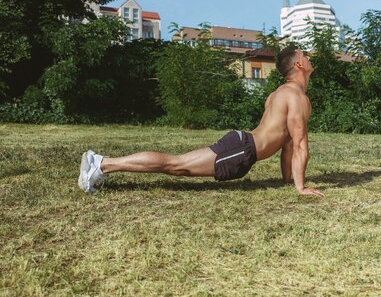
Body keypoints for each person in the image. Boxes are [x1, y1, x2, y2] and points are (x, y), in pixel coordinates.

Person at [78, 46, 324, 197]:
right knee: (176, 165)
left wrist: (288, 182)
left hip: (242, 147)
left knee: (178, 166)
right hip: (241, 149)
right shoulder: (294, 96)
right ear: (299, 64)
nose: (310, 57)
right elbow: (301, 144)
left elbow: (289, 144)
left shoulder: (282, 94)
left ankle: (101, 164)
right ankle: (101, 164)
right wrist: (301, 189)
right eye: (306, 54)